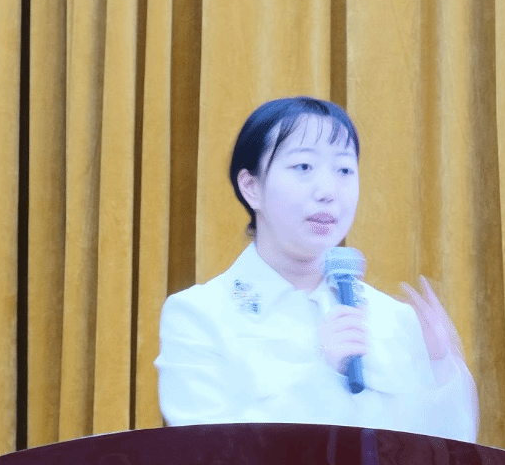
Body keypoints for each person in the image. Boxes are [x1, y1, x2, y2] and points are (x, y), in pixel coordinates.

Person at [155, 96, 478, 442]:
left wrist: (442, 368)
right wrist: (323, 373)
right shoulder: (198, 315)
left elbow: (449, 449)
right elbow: (206, 450)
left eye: (344, 170)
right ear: (252, 187)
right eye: (304, 167)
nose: (328, 191)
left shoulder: (394, 319)